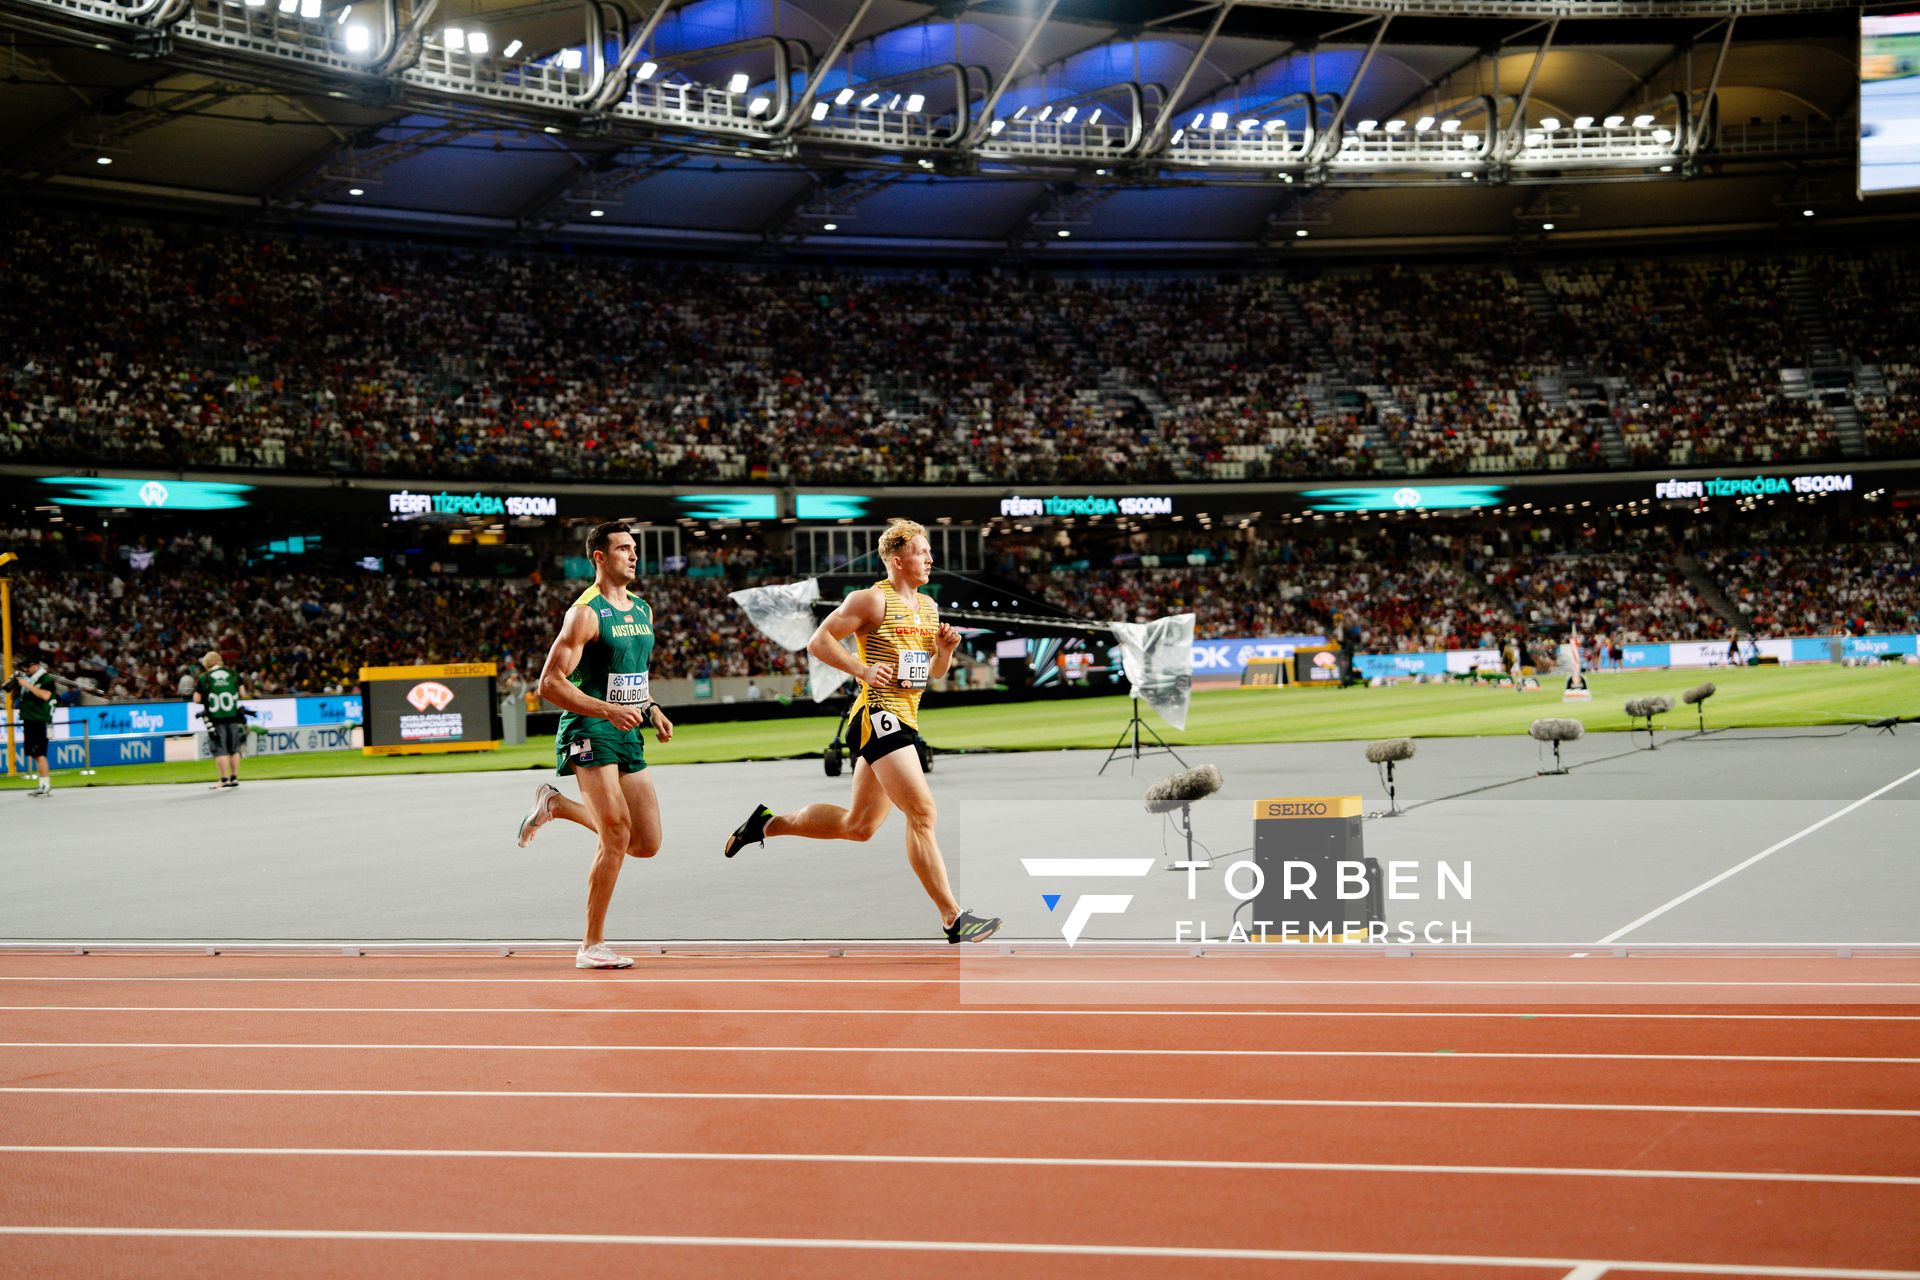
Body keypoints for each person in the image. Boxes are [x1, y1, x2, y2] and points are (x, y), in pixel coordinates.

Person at [720, 519, 1001, 944]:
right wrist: (863, 669)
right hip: (876, 715)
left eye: (928, 552)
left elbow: (930, 675)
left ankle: (765, 825)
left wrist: (943, 652)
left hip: (906, 716)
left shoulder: (928, 607)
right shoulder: (871, 600)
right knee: (923, 814)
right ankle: (953, 918)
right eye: (921, 552)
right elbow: (819, 642)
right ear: (896, 559)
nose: (930, 559)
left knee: (859, 826)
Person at [514, 521, 675, 969]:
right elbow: (549, 683)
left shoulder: (642, 608)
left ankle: (557, 806)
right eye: (623, 548)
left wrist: (652, 708)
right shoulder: (585, 613)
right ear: (599, 557)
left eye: (635, 548)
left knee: (646, 843)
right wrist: (605, 710)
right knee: (616, 834)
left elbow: (632, 676)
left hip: (628, 728)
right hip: (589, 727)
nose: (633, 555)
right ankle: (591, 945)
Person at [193, 650, 249, 790]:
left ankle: (224, 779)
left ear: (207, 663)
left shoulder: (204, 677)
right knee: (234, 749)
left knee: (220, 749)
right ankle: (234, 777)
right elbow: (242, 693)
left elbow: (197, 699)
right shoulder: (233, 674)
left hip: (216, 718)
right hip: (233, 716)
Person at [7, 650, 57, 796]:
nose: (26, 670)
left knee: (40, 753)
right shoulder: (29, 679)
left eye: (28, 667)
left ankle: (45, 785)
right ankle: (42, 784)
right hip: (30, 719)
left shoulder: (46, 679)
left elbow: (45, 695)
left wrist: (27, 685)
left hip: (39, 720)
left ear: (36, 665)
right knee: (35, 753)